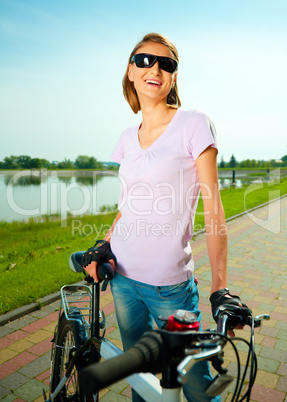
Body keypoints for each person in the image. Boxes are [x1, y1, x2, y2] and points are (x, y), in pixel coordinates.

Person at [81, 33, 247, 402]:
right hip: (123, 280)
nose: (154, 68)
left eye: (165, 63)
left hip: (169, 287)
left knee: (198, 388)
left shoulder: (193, 124)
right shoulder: (127, 137)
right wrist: (105, 244)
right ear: (129, 70)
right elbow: (128, 206)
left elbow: (214, 207)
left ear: (172, 77)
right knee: (141, 379)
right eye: (143, 60)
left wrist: (220, 287)